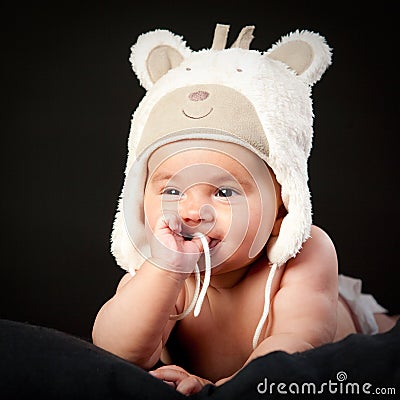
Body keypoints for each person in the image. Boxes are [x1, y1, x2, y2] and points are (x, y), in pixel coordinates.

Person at [92, 24, 396, 395]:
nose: (191, 211)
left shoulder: (305, 255)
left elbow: (297, 345)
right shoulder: (164, 272)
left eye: (223, 191)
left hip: (354, 333)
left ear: (282, 206)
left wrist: (228, 387)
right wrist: (163, 271)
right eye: (172, 189)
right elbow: (117, 351)